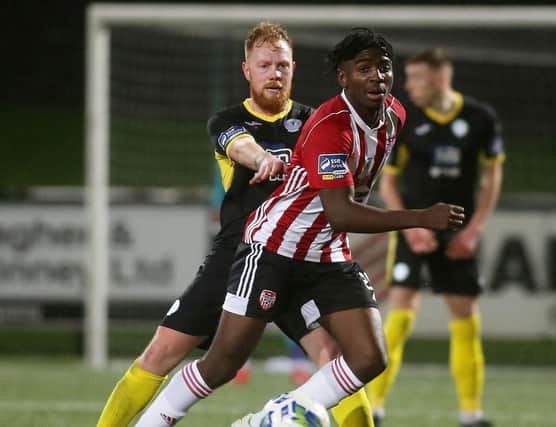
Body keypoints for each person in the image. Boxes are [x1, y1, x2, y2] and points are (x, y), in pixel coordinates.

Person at [133, 28, 465, 427]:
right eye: (364, 69)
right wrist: (419, 216)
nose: (376, 76)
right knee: (222, 363)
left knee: (369, 357)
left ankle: (275, 416)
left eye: (384, 68)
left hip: (325, 251)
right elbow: (342, 212)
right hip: (274, 247)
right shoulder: (330, 127)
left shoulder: (395, 114)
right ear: (343, 78)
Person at [95, 22, 376, 427]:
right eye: (264, 65)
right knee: (161, 352)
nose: (274, 73)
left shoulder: (319, 124)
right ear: (247, 71)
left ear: (293, 68)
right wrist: (263, 159)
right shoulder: (226, 121)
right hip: (237, 256)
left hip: (297, 258)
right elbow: (240, 146)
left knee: (339, 363)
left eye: (281, 65)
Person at [366, 47, 504, 427]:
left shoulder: (480, 119)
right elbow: (388, 181)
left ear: (441, 78)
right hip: (416, 229)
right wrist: (409, 226)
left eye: (417, 79)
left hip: (458, 232)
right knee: (400, 315)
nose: (409, 87)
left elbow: (492, 177)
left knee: (465, 317)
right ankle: (375, 408)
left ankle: (471, 414)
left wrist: (475, 229)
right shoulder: (404, 119)